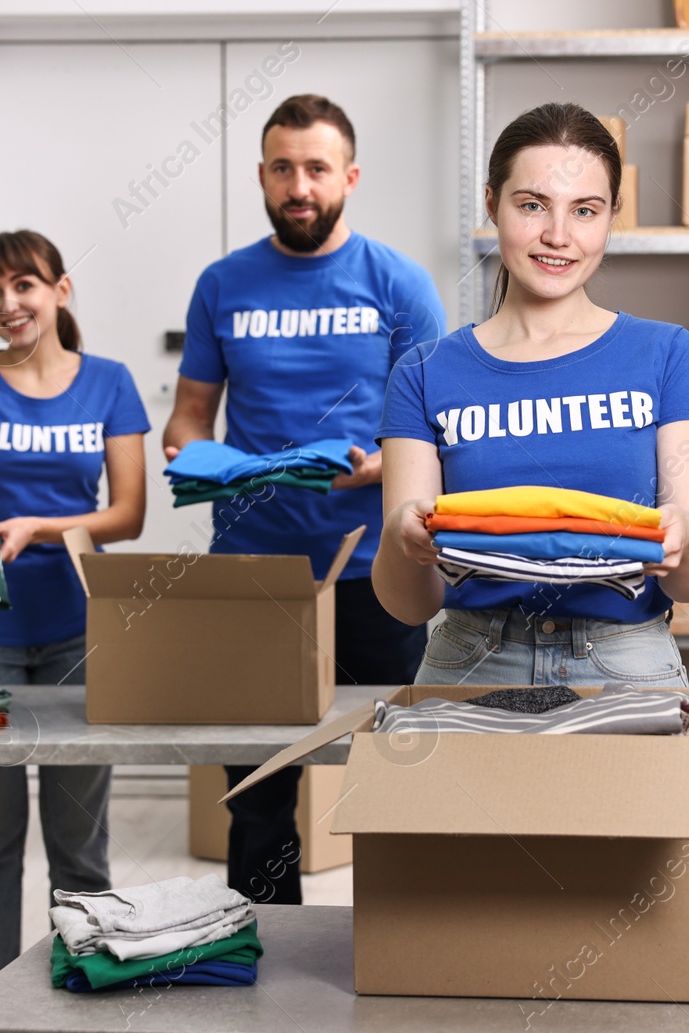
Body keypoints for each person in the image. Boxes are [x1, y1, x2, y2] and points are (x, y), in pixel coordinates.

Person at [163, 94, 445, 905]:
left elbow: (435, 424)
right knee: (255, 786)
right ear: (261, 176)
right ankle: (262, 956)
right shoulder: (223, 284)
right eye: (283, 168)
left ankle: (402, 943)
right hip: (254, 569)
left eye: (316, 168)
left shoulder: (399, 283)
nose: (299, 185)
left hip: (375, 568)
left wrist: (383, 464)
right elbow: (190, 410)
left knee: (393, 766)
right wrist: (185, 445)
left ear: (348, 176)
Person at [374, 102, 689, 687]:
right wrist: (398, 536)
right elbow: (409, 606)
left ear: (612, 216)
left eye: (584, 210)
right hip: (471, 662)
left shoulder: (667, 354)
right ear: (492, 204)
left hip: (625, 661)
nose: (557, 236)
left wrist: (686, 539)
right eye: (532, 205)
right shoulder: (423, 371)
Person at [0, 230, 148, 986]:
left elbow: (128, 514)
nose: (8, 304)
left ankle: (79, 998)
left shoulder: (110, 383)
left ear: (60, 289)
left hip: (80, 627)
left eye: (23, 285)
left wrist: (42, 527)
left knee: (80, 847)